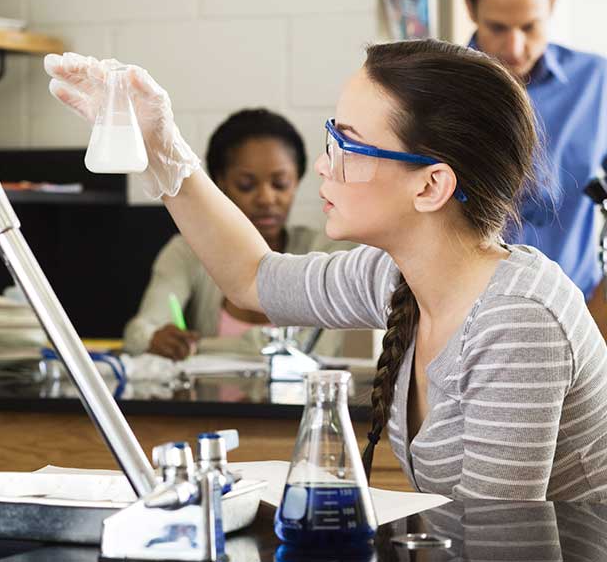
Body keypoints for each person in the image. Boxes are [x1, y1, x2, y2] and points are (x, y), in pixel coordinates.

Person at [45, 41, 607, 501]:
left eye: (348, 145)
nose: (322, 164)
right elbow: (251, 277)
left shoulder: (518, 323)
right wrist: (160, 146)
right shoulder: (396, 274)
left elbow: (494, 548)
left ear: (431, 185)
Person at [464, 0, 607, 336]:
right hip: (471, 323)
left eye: (530, 25)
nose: (515, 46)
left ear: (552, 5)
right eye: (498, 27)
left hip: (580, 318)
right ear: (470, 8)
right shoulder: (438, 91)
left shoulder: (597, 82)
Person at [123, 108, 349, 359]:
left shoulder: (324, 250)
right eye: (246, 185)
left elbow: (312, 349)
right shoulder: (186, 251)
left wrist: (199, 347)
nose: (266, 198)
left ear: (297, 180)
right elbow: (140, 332)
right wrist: (154, 338)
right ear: (220, 183)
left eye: (280, 184)